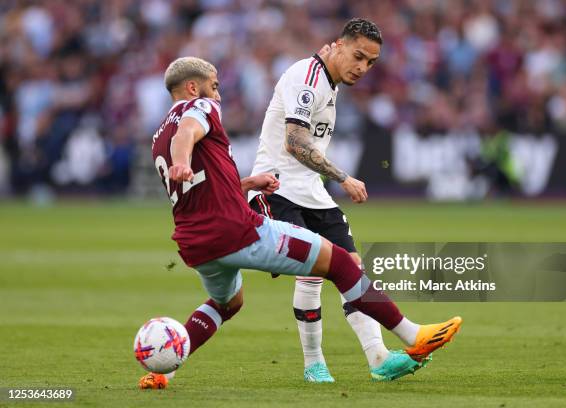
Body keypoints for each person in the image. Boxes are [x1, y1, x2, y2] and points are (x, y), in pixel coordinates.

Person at [140, 56, 462, 389]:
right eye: (215, 86)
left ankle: (164, 369)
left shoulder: (157, 136)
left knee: (228, 303)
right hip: (235, 231)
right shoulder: (199, 109)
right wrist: (181, 160)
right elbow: (187, 136)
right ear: (193, 87)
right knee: (338, 260)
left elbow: (200, 187)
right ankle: (413, 335)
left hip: (197, 245)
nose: (218, 95)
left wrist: (248, 184)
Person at [248, 18, 412, 382]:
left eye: (370, 63)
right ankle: (314, 365)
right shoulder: (307, 77)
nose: (363, 68)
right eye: (358, 56)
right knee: (314, 273)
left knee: (352, 268)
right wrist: (343, 177)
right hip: (278, 189)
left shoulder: (326, 78)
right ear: (337, 45)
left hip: (311, 190)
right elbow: (294, 141)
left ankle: (379, 358)